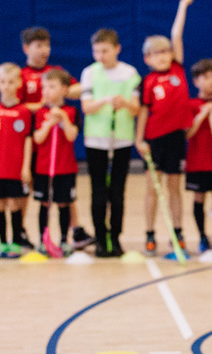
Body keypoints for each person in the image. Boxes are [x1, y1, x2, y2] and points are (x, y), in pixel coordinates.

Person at [135, 0, 196, 257]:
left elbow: (176, 35)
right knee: (152, 188)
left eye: (165, 51)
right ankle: (149, 234)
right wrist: (139, 140)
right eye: (155, 53)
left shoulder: (178, 69)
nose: (162, 56)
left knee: (174, 188)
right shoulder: (148, 82)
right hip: (154, 140)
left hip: (176, 138)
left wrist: (182, 6)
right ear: (147, 59)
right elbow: (143, 112)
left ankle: (177, 234)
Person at [18, 26, 90, 250]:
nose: (44, 50)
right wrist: (41, 105)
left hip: (57, 144)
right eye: (38, 46)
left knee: (63, 193)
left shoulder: (56, 71)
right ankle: (21, 230)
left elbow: (79, 89)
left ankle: (74, 230)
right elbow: (17, 106)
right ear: (26, 49)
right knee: (29, 189)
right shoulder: (22, 75)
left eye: (47, 45)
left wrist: (60, 93)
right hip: (33, 140)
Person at [79, 29, 141, 257]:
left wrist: (124, 103)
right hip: (96, 140)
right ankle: (100, 239)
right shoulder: (89, 73)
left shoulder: (130, 73)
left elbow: (135, 109)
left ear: (117, 49)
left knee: (117, 192)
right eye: (96, 51)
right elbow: (86, 107)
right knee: (98, 192)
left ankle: (115, 238)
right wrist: (105, 101)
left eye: (105, 51)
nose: (100, 56)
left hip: (121, 139)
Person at [0, 63, 33, 258]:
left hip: (15, 168)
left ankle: (16, 242)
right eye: (3, 82)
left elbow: (28, 140)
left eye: (11, 82)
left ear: (19, 83)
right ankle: (2, 242)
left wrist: (26, 166)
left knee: (14, 204)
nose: (7, 86)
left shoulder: (24, 112)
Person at [32, 69, 81, 256]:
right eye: (44, 87)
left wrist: (63, 119)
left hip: (65, 168)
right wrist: (49, 123)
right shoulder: (40, 113)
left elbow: (71, 136)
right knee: (44, 204)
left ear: (64, 90)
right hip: (44, 169)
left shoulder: (71, 111)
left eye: (51, 87)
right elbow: (38, 138)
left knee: (63, 204)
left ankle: (64, 240)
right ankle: (42, 240)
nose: (46, 91)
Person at [185, 58, 212, 253]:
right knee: (199, 198)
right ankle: (202, 236)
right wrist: (202, 114)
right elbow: (188, 133)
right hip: (198, 161)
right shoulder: (192, 104)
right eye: (205, 77)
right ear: (196, 81)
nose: (210, 82)